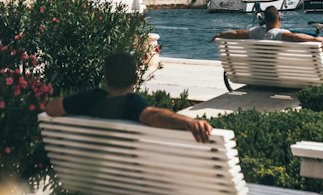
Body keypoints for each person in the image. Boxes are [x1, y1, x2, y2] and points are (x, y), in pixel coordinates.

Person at [44, 51, 213, 142]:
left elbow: (52, 109)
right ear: (135, 79)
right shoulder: (131, 104)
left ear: (106, 79)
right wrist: (189, 122)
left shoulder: (91, 98)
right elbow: (153, 115)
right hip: (132, 182)